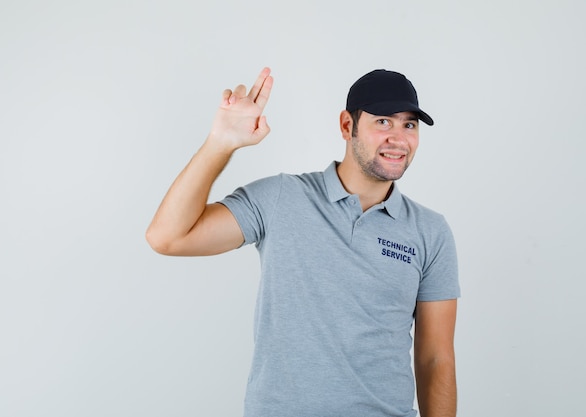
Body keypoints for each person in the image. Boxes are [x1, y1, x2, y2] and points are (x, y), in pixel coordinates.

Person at [146, 67, 460, 417]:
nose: (399, 138)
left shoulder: (430, 231)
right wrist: (220, 144)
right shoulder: (282, 197)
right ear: (347, 125)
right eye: (383, 122)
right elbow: (168, 237)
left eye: (409, 125)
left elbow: (436, 359)